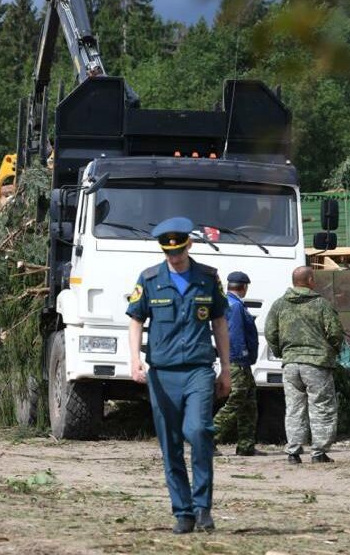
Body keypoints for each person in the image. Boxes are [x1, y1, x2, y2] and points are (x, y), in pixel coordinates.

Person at [127, 216, 231, 534]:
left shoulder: (208, 278)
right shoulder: (148, 279)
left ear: (189, 245)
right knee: (170, 445)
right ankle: (183, 512)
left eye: (179, 251)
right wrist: (134, 360)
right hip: (162, 373)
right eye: (168, 252)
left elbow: (219, 324)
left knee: (199, 431)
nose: (174, 257)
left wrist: (226, 368)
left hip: (199, 369)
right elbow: (135, 320)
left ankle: (203, 508)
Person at [265, 266, 343, 464]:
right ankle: (319, 452)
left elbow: (270, 333)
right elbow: (335, 332)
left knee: (294, 407)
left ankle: (293, 452)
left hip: (290, 364)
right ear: (309, 280)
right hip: (316, 363)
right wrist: (332, 351)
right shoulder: (321, 304)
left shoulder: (279, 305)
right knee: (321, 406)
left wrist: (282, 353)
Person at [214, 271, 262, 456]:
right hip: (238, 362)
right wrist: (242, 356)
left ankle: (246, 446)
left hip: (240, 362)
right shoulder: (235, 306)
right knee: (235, 402)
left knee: (249, 403)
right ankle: (208, 440)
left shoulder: (231, 303)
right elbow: (235, 335)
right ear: (244, 287)